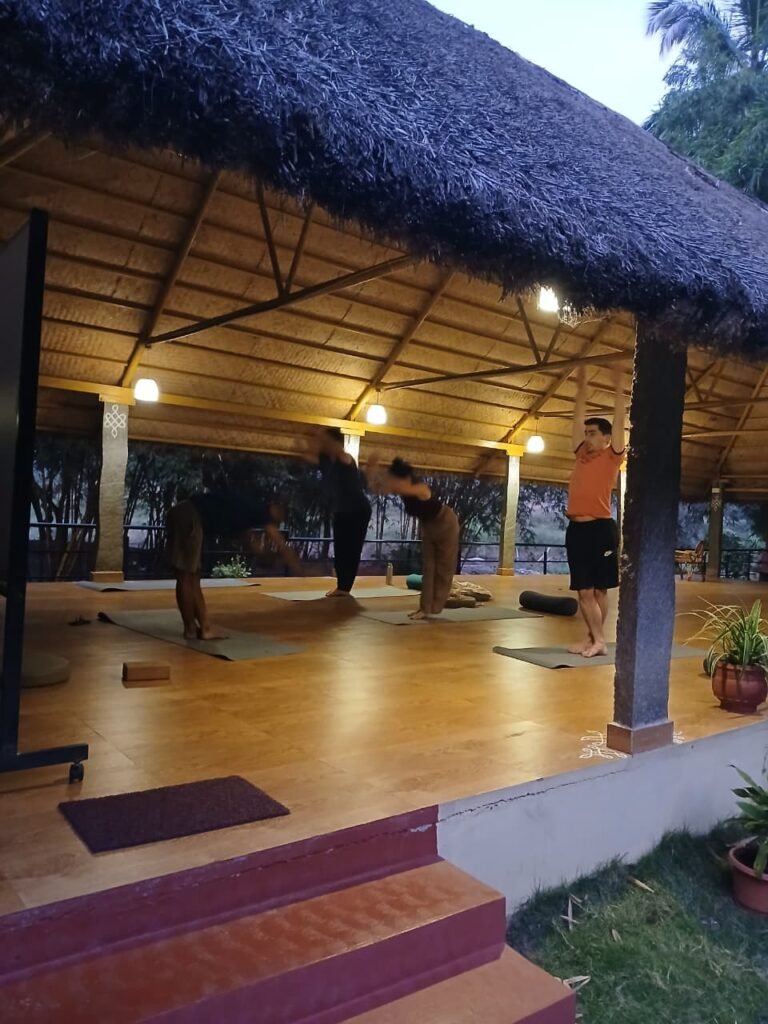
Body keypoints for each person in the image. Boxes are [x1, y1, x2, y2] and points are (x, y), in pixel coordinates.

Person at [166, 492, 301, 639]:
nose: (279, 521)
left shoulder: (249, 512)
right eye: (281, 515)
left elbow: (252, 545)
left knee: (193, 576)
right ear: (276, 507)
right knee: (186, 576)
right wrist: (300, 568)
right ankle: (191, 629)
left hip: (187, 514)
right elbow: (281, 545)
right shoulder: (262, 512)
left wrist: (268, 557)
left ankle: (204, 629)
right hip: (189, 515)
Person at [565, 366, 627, 657]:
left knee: (599, 590)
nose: (587, 437)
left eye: (593, 434)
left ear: (606, 438)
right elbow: (576, 418)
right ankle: (596, 639)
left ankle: (598, 640)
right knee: (583, 590)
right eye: (586, 433)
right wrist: (581, 389)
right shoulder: (580, 455)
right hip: (576, 530)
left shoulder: (612, 456)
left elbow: (619, 419)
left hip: (601, 529)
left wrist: (619, 389)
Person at [367, 454, 460, 621]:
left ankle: (435, 606)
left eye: (396, 479)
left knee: (444, 569)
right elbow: (375, 488)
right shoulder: (401, 487)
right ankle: (424, 608)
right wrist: (371, 470)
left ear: (406, 478)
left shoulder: (420, 488)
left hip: (446, 523)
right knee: (428, 568)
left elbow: (405, 489)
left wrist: (389, 482)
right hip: (428, 527)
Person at [300, 427, 371, 597]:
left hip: (358, 509)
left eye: (327, 441)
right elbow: (308, 456)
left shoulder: (345, 457)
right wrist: (314, 440)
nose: (323, 444)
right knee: (340, 548)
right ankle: (342, 587)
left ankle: (344, 588)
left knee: (351, 549)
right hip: (342, 509)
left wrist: (323, 439)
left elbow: (335, 451)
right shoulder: (326, 460)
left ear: (335, 443)